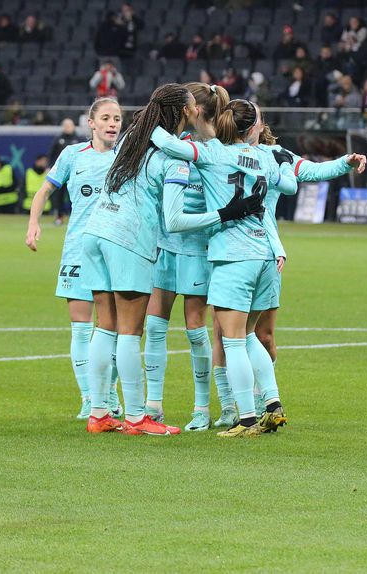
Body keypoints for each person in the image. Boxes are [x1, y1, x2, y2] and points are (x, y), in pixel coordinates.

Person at [81, 84, 265, 436]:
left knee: (104, 325)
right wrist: (226, 213)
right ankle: (137, 418)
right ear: (183, 111)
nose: (196, 111)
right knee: (130, 332)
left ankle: (99, 412)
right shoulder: (174, 158)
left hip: (96, 231)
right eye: (191, 106)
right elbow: (176, 221)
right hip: (128, 239)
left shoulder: (132, 138)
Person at [205, 106, 367, 424]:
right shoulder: (222, 153)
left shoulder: (275, 156)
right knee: (227, 333)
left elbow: (312, 171)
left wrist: (344, 162)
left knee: (260, 335)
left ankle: (258, 405)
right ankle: (230, 407)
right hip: (234, 248)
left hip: (262, 250)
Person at [150, 99, 299, 438]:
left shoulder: (213, 153)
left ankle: (246, 420)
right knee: (248, 336)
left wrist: (153, 118)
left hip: (234, 256)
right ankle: (272, 403)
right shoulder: (264, 155)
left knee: (233, 341)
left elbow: (169, 144)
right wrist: (288, 165)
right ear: (252, 128)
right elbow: (289, 185)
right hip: (264, 254)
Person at [25, 98, 125, 423]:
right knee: (81, 329)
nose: (113, 123)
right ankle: (89, 398)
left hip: (116, 250)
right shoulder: (72, 155)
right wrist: (34, 223)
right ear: (91, 123)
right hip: (79, 250)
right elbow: (44, 191)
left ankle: (109, 394)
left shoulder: (127, 157)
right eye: (106, 118)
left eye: (117, 118)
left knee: (113, 329)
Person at [142, 83, 229, 431]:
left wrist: (147, 119)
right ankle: (153, 405)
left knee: (195, 329)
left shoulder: (214, 150)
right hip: (165, 246)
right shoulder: (180, 143)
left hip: (196, 249)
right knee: (155, 326)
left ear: (195, 111)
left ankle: (201, 408)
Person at [47, 118, 83, 225]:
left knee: (77, 195)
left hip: (76, 172)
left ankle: (77, 217)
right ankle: (59, 216)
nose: (67, 128)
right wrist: (49, 167)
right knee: (59, 195)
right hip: (61, 173)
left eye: (69, 125)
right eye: (65, 126)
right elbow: (51, 155)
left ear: (73, 126)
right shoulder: (58, 139)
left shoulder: (79, 139)